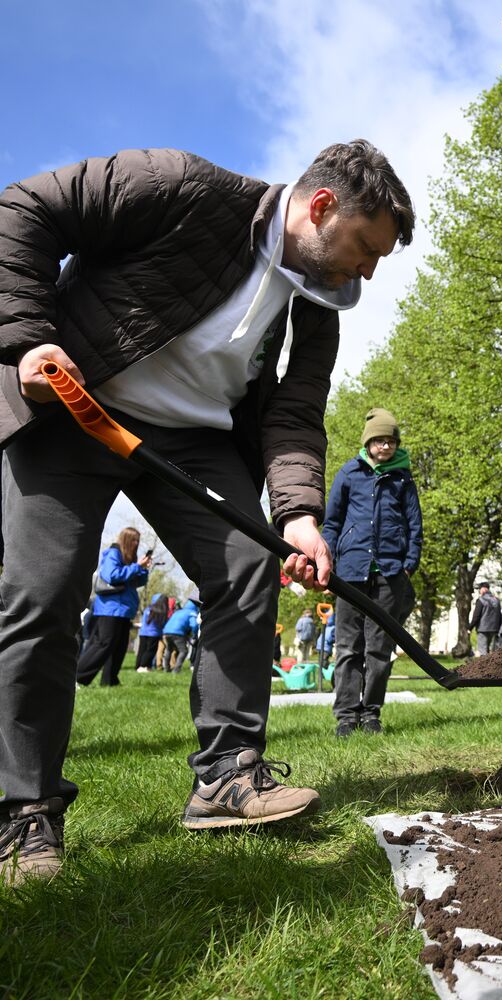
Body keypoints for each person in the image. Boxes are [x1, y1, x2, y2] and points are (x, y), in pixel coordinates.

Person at [0, 140, 414, 884]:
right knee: (42, 593)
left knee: (248, 566)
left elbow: (294, 415)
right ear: (320, 208)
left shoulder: (319, 303)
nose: (369, 271)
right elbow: (25, 211)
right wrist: (30, 340)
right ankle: (27, 811)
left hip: (195, 439)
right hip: (76, 403)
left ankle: (225, 776)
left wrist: (297, 517)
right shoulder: (180, 186)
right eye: (365, 247)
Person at [321, 406, 423, 738]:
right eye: (379, 440)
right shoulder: (349, 473)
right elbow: (333, 522)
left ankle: (371, 713)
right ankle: (346, 715)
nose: (385, 446)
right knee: (349, 646)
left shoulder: (403, 478)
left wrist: (409, 565)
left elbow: (415, 524)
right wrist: (328, 561)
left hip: (391, 572)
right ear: (368, 443)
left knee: (378, 648)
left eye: (391, 441)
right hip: (350, 570)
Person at [74, 527, 151, 687]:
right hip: (110, 608)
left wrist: (143, 570)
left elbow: (138, 582)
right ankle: (77, 677)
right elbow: (111, 575)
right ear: (126, 540)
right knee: (103, 643)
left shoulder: (130, 559)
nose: (137, 543)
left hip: (124, 610)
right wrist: (136, 567)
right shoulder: (114, 553)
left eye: (138, 540)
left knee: (119, 647)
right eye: (134, 540)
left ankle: (110, 681)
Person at [161, 597, 200, 673]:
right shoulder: (191, 612)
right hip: (178, 633)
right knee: (184, 651)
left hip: (166, 632)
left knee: (169, 650)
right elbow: (194, 625)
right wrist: (194, 634)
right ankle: (176, 670)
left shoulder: (179, 611)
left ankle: (166, 669)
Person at [136, 593, 171, 673]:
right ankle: (143, 666)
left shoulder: (148, 609)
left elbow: (144, 621)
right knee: (150, 651)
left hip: (143, 633)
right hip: (154, 634)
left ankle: (139, 666)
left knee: (142, 650)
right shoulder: (162, 611)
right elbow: (162, 624)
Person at [469, 582, 502, 655]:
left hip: (482, 629)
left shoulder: (481, 600)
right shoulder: (497, 600)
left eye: (479, 589)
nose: (479, 591)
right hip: (494, 629)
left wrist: (470, 627)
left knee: (483, 651)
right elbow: (499, 615)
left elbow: (476, 616)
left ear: (483, 589)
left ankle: (484, 666)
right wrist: (498, 628)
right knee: (491, 650)